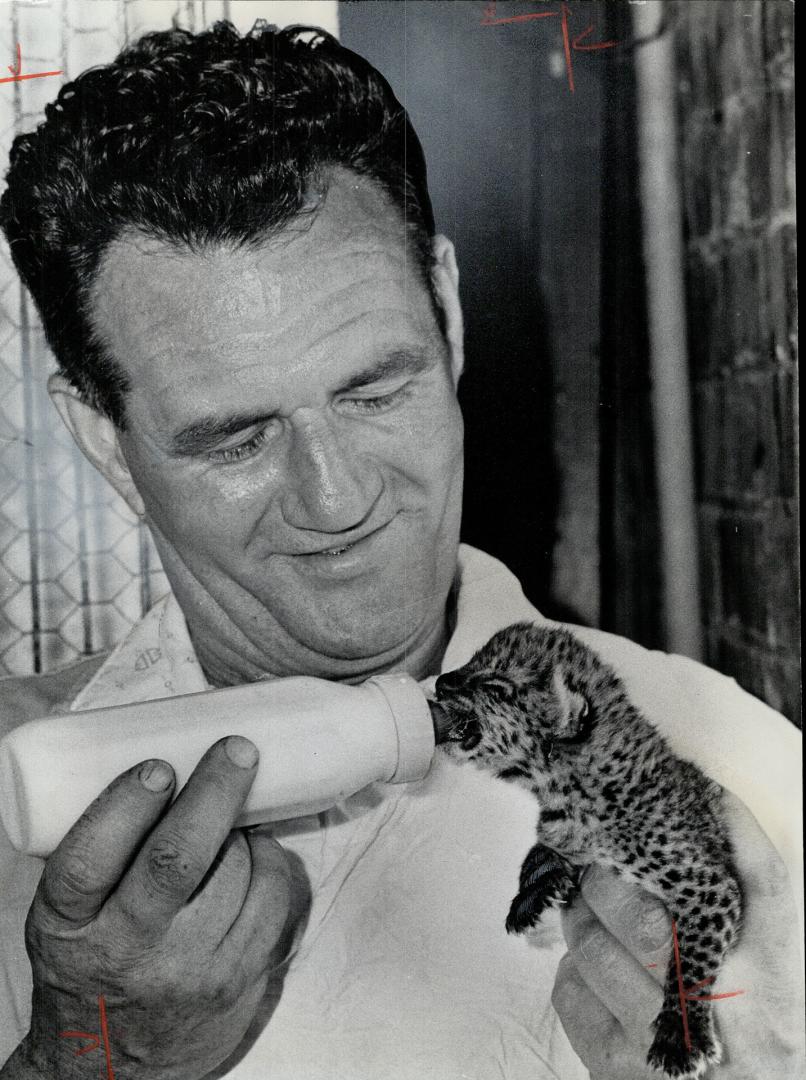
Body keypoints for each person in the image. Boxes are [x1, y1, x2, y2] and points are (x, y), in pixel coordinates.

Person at [0, 21, 802, 1080]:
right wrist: (78, 1064)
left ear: (451, 318)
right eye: (236, 438)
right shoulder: (18, 811)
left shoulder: (742, 772)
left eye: (377, 390)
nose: (337, 500)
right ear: (105, 441)